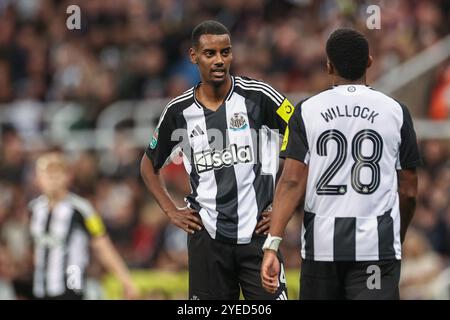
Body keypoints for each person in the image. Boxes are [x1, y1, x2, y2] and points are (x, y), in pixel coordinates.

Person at [261, 28, 421, 300]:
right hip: (377, 248)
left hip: (322, 248)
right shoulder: (396, 111)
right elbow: (408, 190)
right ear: (369, 61)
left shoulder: (306, 110)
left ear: (328, 66)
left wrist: (272, 244)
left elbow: (291, 181)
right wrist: (398, 234)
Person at [140, 20, 293, 300]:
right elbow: (148, 165)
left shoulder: (259, 96)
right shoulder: (178, 111)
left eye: (226, 52)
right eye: (210, 53)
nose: (219, 60)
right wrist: (171, 211)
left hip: (258, 234)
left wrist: (284, 208)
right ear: (193, 56)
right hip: (207, 237)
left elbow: (302, 137)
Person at [29, 151, 138, 300]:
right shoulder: (34, 208)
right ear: (38, 178)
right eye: (47, 175)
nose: (52, 180)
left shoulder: (82, 209)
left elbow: (103, 245)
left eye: (57, 174)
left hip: (71, 288)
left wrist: (126, 281)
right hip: (41, 288)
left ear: (68, 177)